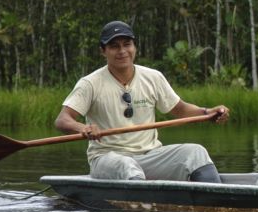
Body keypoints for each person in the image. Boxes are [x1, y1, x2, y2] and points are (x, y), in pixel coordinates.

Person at [54, 20, 230, 183]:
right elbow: (63, 120)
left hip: (150, 155)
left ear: (134, 47)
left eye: (127, 44)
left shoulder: (153, 77)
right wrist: (83, 128)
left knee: (196, 152)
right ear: (103, 51)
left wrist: (208, 112)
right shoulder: (90, 83)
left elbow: (180, 109)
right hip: (107, 158)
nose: (122, 51)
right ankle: (144, 209)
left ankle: (218, 204)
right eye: (114, 46)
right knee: (127, 166)